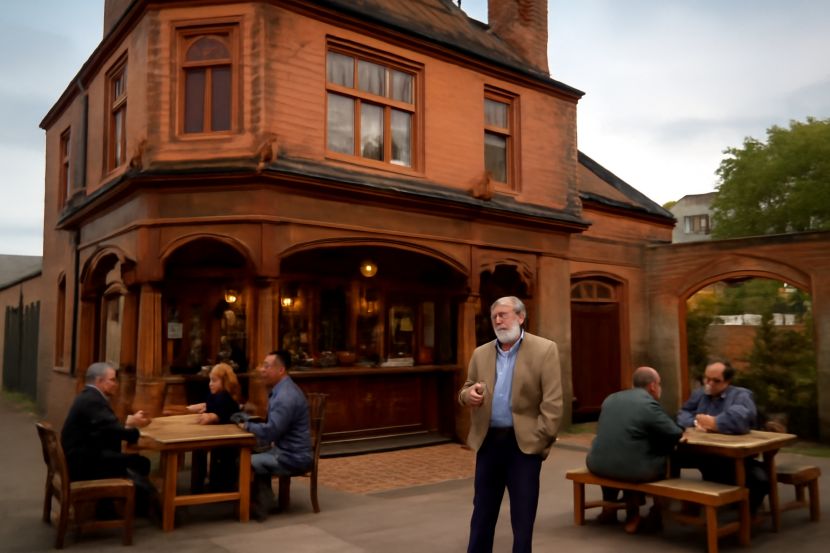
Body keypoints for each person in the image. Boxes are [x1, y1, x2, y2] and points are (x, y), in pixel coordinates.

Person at [458, 296, 562, 553]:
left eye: (503, 314)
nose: (498, 320)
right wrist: (468, 395)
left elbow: (553, 403)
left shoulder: (545, 349)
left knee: (523, 517)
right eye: (494, 316)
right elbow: (466, 388)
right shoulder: (480, 353)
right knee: (482, 511)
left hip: (523, 445)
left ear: (520, 317)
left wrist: (539, 441)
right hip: (489, 442)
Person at [586, 366, 684, 533]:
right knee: (666, 457)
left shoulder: (611, 398)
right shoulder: (648, 404)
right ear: (653, 386)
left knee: (621, 451)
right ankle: (656, 512)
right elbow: (674, 433)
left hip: (596, 463)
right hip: (632, 469)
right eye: (660, 384)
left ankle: (609, 509)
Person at [676, 358, 768, 513]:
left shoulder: (741, 395)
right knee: (670, 456)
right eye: (707, 379)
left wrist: (715, 422)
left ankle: (747, 515)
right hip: (704, 451)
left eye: (716, 381)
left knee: (759, 479)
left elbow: (741, 418)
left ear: (728, 381)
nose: (709, 384)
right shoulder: (701, 394)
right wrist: (695, 422)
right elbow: (683, 412)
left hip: (731, 455)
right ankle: (672, 505)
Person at [61, 361, 154, 513]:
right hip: (84, 465)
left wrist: (128, 422)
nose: (116, 384)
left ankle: (109, 506)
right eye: (112, 380)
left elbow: (107, 426)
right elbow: (114, 430)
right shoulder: (93, 401)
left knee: (131, 461)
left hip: (80, 458)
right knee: (141, 463)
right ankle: (130, 507)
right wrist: (135, 430)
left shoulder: (88, 396)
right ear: (99, 381)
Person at [236, 350, 312, 521]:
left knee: (244, 460)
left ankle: (257, 505)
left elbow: (271, 432)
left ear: (281, 370)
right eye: (262, 365)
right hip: (285, 450)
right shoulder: (283, 389)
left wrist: (247, 425)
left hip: (293, 456)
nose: (262, 370)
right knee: (252, 453)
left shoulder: (285, 396)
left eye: (266, 366)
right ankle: (264, 498)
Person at [187, 362, 242, 491]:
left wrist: (209, 415)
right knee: (200, 450)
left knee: (218, 461)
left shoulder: (225, 397)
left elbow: (216, 415)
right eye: (210, 380)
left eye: (214, 381)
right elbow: (209, 406)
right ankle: (202, 483)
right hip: (217, 436)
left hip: (228, 440)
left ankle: (202, 486)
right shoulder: (215, 395)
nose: (210, 384)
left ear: (225, 382)